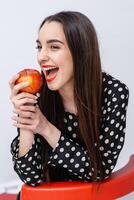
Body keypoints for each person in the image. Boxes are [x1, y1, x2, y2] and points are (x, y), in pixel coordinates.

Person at [9, 11, 129, 199]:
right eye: (39, 47)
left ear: (80, 51)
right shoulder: (38, 92)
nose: (41, 57)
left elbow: (100, 170)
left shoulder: (113, 93)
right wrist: (26, 121)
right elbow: (30, 177)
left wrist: (46, 128)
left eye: (54, 47)